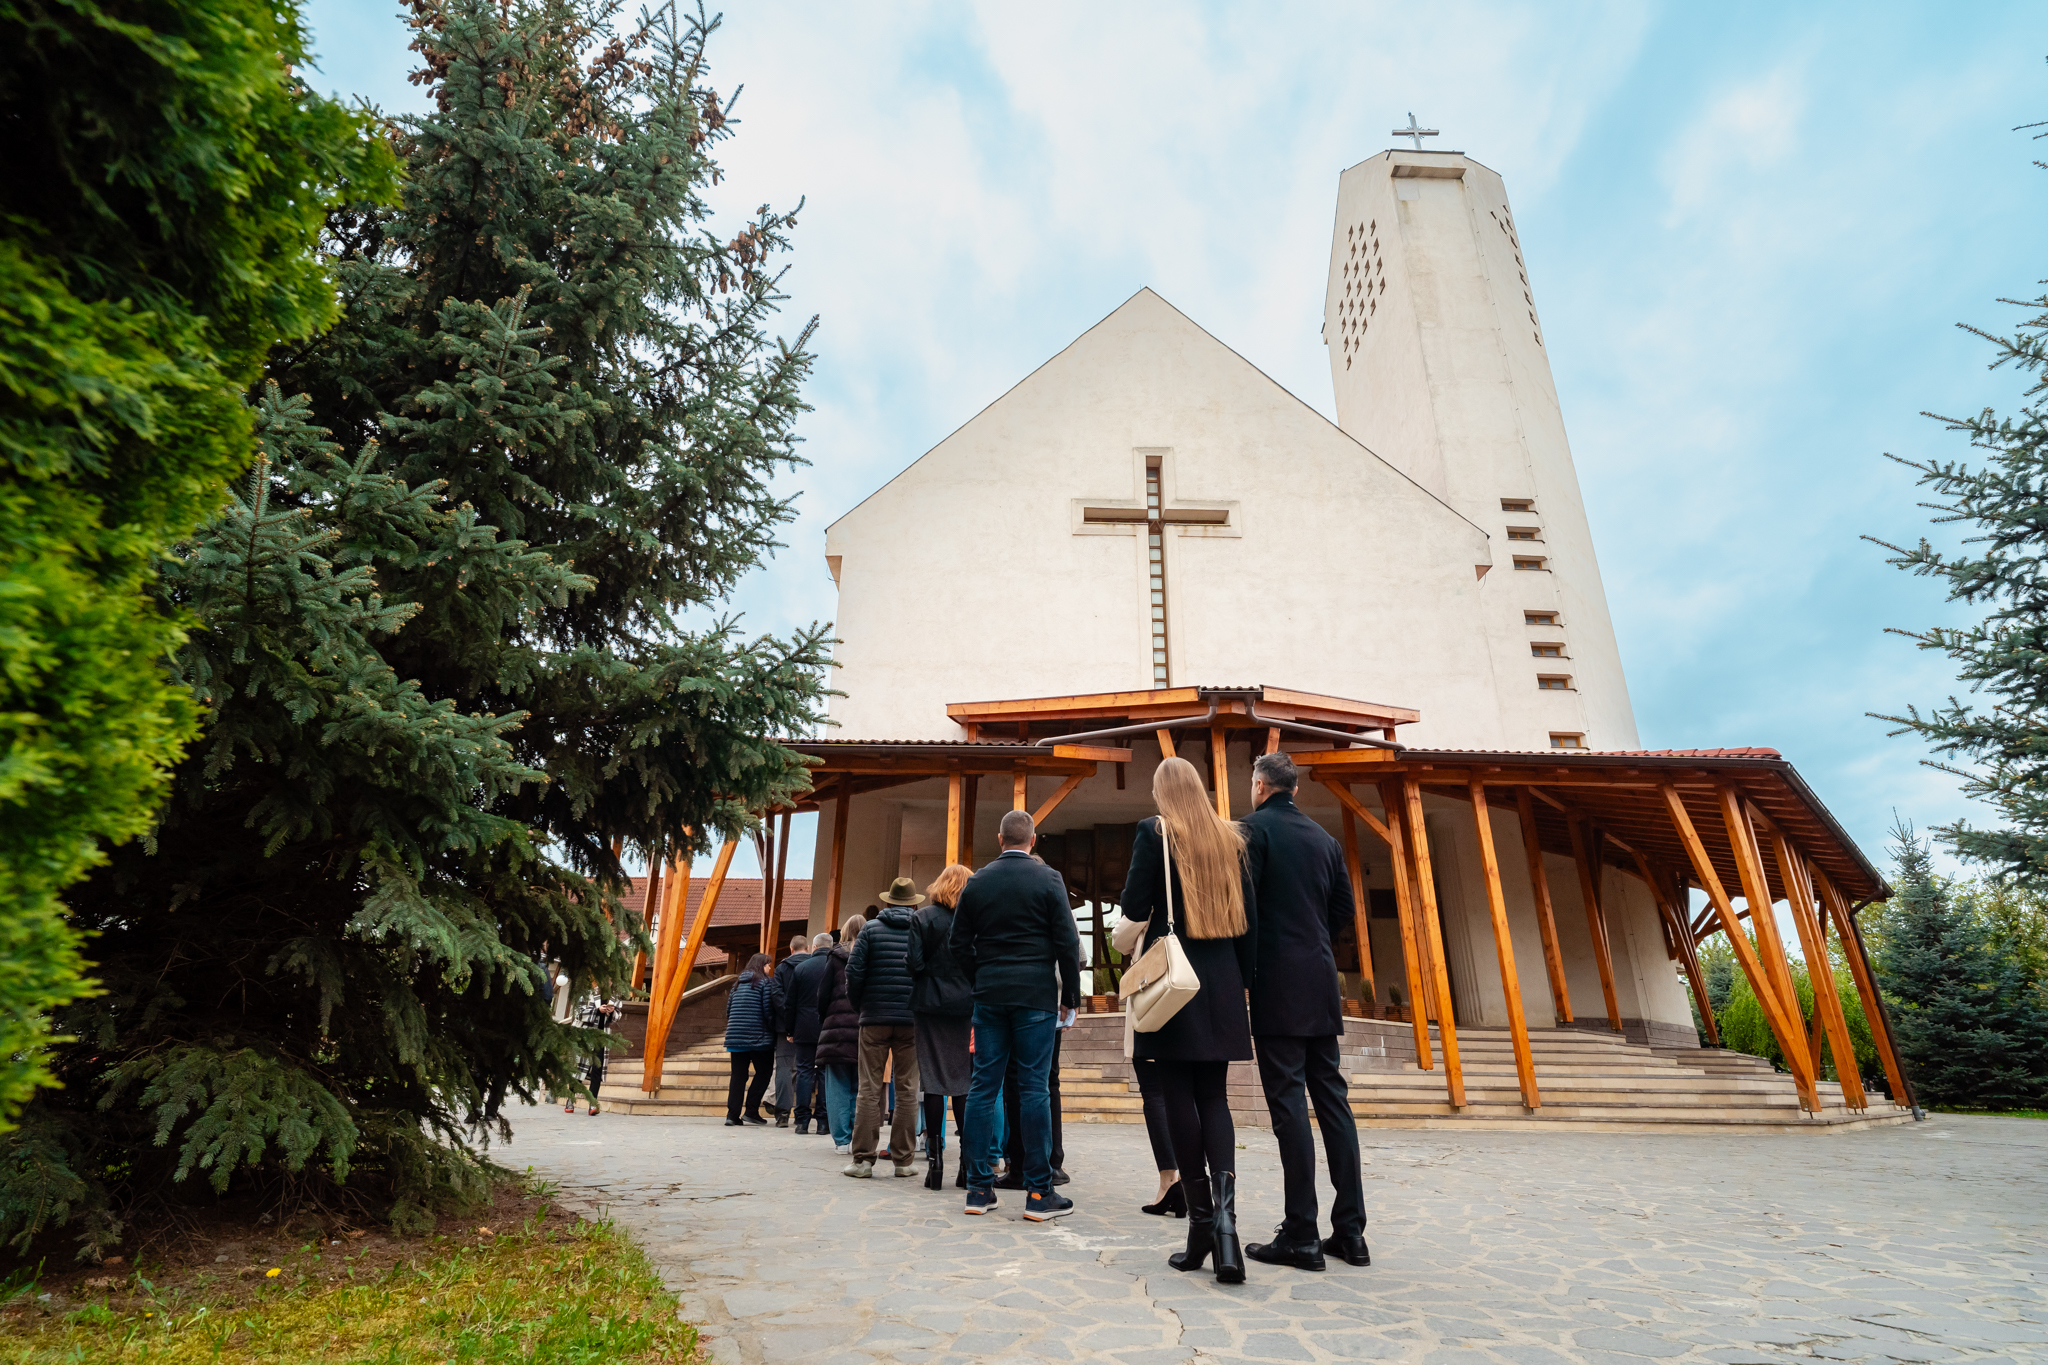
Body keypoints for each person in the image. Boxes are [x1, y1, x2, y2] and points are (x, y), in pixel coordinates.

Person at [1119, 754, 1257, 1283]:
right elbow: (1247, 919)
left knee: (1177, 1096)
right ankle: (1226, 1229)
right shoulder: (1232, 836)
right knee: (1215, 1098)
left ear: (1161, 793)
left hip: (1175, 980)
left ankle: (1201, 1223)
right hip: (1221, 979)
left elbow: (1133, 905)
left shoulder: (1154, 831)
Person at [1241, 750, 1371, 1272]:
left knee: (1288, 1105)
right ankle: (1352, 1233)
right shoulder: (1327, 840)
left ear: (1260, 785)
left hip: (1275, 982)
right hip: (1320, 979)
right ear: (1293, 788)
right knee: (1333, 1101)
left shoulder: (1251, 831)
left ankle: (1300, 1233)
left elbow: (1243, 908)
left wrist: (1245, 971)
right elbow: (1343, 909)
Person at [950, 809, 1082, 1222]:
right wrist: (1071, 997)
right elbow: (1066, 940)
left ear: (1000, 838)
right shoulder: (1049, 879)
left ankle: (977, 1189)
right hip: (1036, 996)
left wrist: (981, 977)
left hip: (989, 995)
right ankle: (1039, 1194)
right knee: (1034, 1089)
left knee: (983, 1087)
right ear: (1034, 840)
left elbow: (958, 945)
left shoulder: (977, 882)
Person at [845, 880, 924, 1178]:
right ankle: (903, 1161)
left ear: (888, 903)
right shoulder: (921, 929)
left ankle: (863, 1160)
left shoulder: (870, 929)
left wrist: (860, 1007)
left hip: (874, 1019)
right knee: (906, 1089)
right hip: (911, 1020)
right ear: (914, 904)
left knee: (868, 1088)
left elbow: (854, 973)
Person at [906, 863, 973, 1190]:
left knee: (932, 1080)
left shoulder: (922, 918)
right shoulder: (974, 921)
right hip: (965, 1005)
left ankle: (935, 1164)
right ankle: (966, 1165)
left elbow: (914, 964)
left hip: (930, 1003)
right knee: (962, 1082)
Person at [1113, 910, 1183, 1216]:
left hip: (1159, 994)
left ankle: (1170, 1179)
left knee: (1154, 1092)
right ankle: (1197, 1182)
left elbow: (1119, 937)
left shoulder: (1157, 871)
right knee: (1197, 1095)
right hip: (1195, 990)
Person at [814, 915, 865, 1151]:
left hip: (836, 1029)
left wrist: (826, 1019)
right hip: (864, 1027)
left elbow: (822, 995)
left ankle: (842, 1140)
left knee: (837, 1087)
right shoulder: (870, 954)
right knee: (860, 1086)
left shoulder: (834, 958)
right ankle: (856, 1133)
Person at [786, 931, 836, 1134]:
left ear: (813, 947)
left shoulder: (801, 968)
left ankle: (802, 1121)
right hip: (828, 1026)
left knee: (804, 1071)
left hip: (804, 1027)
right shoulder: (836, 967)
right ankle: (823, 1121)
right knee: (825, 1073)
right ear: (831, 947)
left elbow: (790, 1003)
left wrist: (790, 1029)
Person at [723, 951, 780, 1127]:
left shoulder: (737, 985)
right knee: (764, 1073)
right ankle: (751, 1111)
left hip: (735, 1038)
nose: (770, 968)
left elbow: (728, 1011)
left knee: (738, 1076)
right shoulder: (765, 983)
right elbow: (768, 1011)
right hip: (759, 1039)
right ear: (762, 965)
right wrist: (774, 1029)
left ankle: (732, 1115)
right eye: (769, 965)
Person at [770, 934, 810, 1127]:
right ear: (808, 948)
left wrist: (788, 1019)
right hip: (811, 1026)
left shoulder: (782, 968)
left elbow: (776, 995)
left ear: (791, 949)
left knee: (784, 1069)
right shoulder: (816, 965)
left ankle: (783, 1113)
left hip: (784, 1027)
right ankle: (804, 1113)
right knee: (808, 1069)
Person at [572, 994, 621, 1117]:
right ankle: (570, 1099)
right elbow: (578, 1013)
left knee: (597, 1070)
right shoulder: (587, 991)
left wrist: (612, 1012)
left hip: (602, 1036)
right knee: (579, 1068)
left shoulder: (614, 996)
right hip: (586, 1035)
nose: (608, 981)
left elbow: (617, 1016)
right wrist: (597, 1011)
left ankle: (593, 1103)